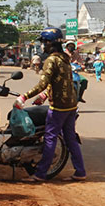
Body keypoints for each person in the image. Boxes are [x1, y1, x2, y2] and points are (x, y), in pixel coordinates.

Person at [15, 28, 86, 182]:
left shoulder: (51, 60)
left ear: (49, 43)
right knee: (70, 139)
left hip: (58, 107)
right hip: (71, 105)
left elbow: (43, 83)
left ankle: (40, 174)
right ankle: (80, 171)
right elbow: (60, 81)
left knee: (50, 138)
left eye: (43, 43)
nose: (42, 46)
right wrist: (44, 95)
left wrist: (24, 97)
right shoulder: (64, 58)